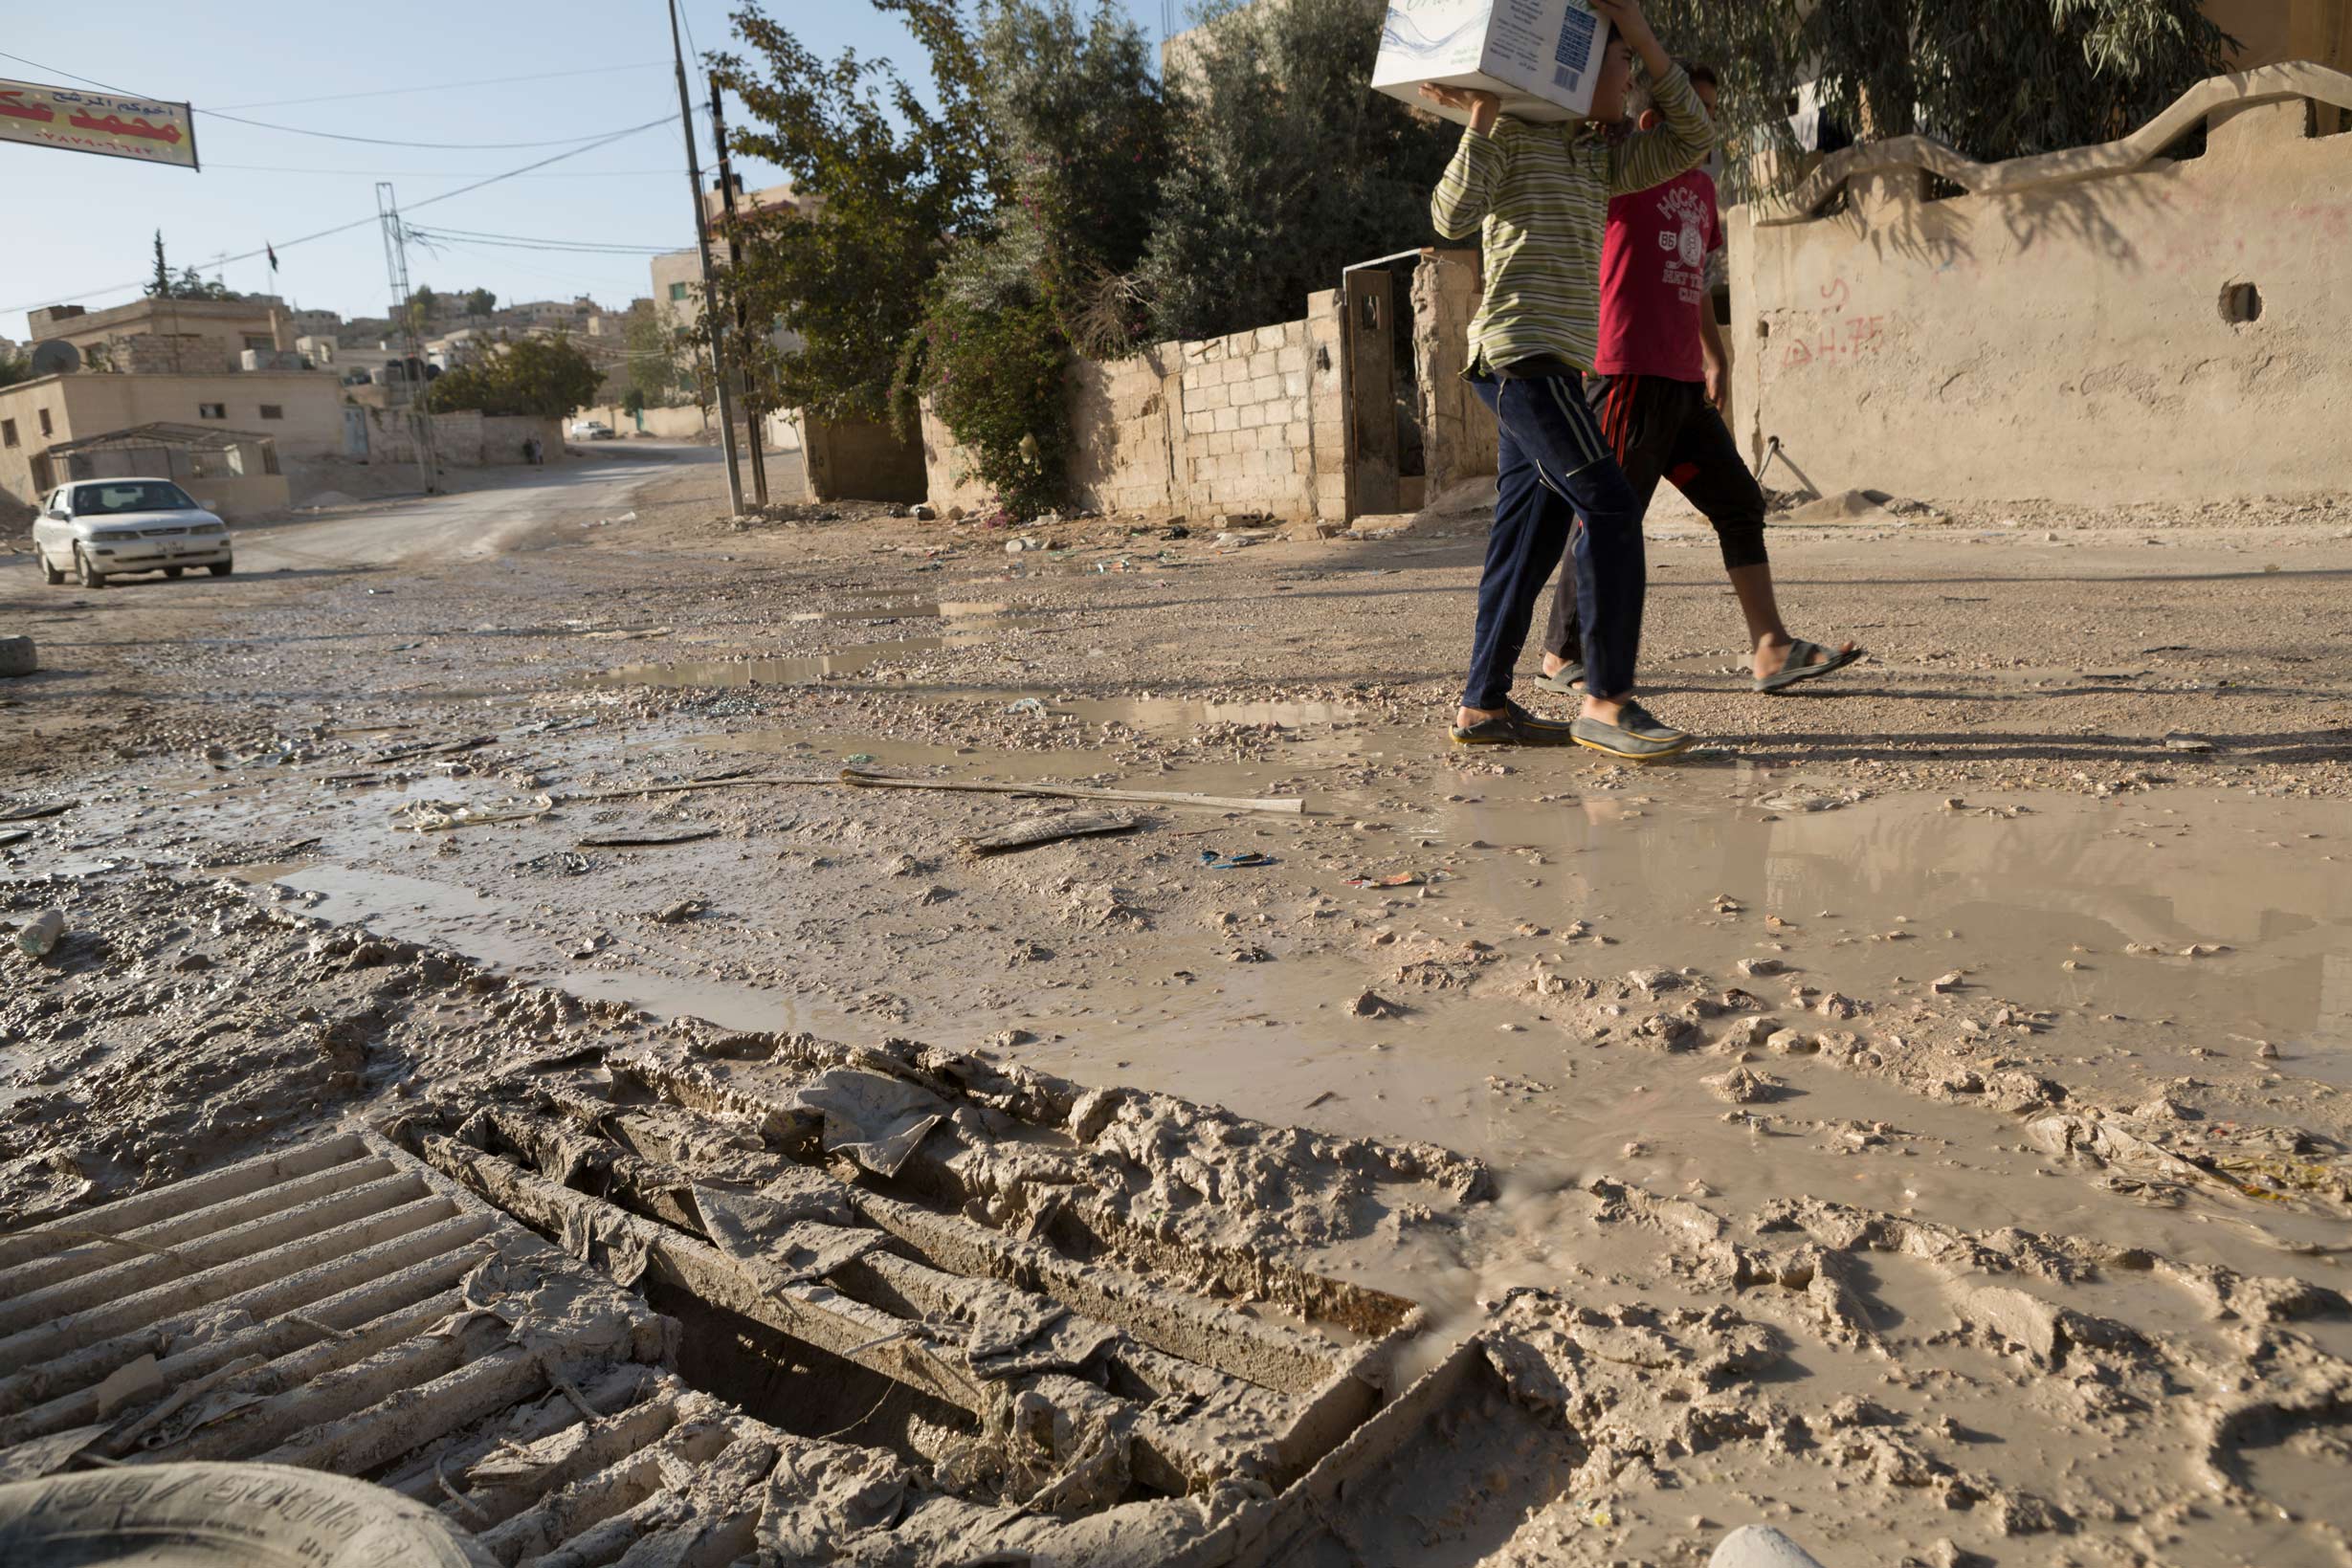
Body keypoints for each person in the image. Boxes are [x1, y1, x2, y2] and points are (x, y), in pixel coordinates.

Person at [1423, 0, 1711, 761]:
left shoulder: (1600, 156)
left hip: (1550, 364)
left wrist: (1640, 33)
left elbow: (1694, 135)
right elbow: (1451, 218)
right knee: (1611, 505)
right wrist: (1482, 117)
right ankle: (1606, 701)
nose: (1630, 78)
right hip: (1520, 360)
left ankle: (1482, 706)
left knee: (1529, 537)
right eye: (1619, 63)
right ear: (1579, 72)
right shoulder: (1514, 137)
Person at [1532, 65, 1860, 698]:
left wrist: (1718, 356)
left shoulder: (1702, 190)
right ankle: (1561, 653)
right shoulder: (1620, 169)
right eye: (1697, 111)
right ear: (1654, 122)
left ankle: (1771, 648)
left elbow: (1697, 277)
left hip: (1681, 381)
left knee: (1739, 501)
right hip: (1627, 372)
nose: (1709, 124)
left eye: (1712, 110)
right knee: (1608, 513)